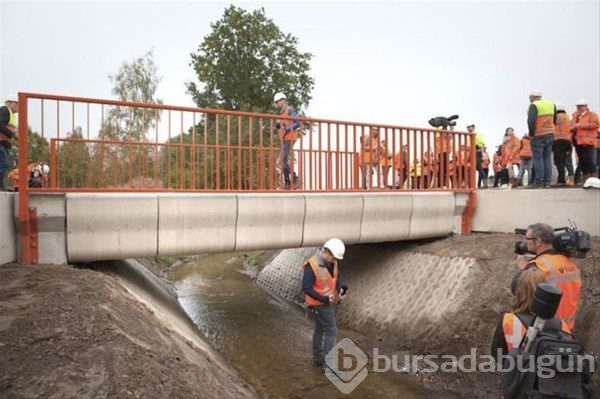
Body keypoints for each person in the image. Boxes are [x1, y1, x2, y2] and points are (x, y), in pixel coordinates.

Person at [512, 223, 581, 331]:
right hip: (566, 329)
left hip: (545, 329)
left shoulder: (540, 265)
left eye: (527, 238)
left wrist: (523, 269)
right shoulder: (568, 262)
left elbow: (518, 288)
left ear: (538, 241)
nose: (524, 241)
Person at [491, 268, 569, 362]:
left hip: (518, 374)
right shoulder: (562, 325)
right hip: (550, 374)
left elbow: (497, 356)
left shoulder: (508, 321)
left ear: (518, 291)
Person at [302, 238, 347, 368]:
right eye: (333, 258)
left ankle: (318, 359)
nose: (335, 261)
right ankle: (329, 362)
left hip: (325, 301)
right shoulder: (312, 266)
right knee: (331, 330)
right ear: (327, 252)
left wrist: (341, 287)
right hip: (319, 303)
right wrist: (324, 299)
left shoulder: (332, 262)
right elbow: (306, 288)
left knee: (320, 328)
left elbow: (336, 276)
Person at [527, 91, 556, 189]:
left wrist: (531, 134)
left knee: (538, 158)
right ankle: (547, 182)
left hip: (538, 135)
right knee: (547, 158)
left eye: (529, 97)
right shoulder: (551, 104)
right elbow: (554, 119)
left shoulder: (534, 105)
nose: (529, 99)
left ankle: (539, 182)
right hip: (550, 134)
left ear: (533, 97)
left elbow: (531, 121)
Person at [273, 92, 301, 190]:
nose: (277, 104)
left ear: (283, 100)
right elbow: (283, 124)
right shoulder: (281, 113)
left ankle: (295, 178)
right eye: (276, 103)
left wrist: (288, 129)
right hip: (284, 138)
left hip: (290, 137)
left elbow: (297, 122)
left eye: (278, 102)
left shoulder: (290, 110)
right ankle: (288, 182)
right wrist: (278, 125)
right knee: (283, 160)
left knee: (282, 159)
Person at [571, 99, 599, 184]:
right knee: (582, 161)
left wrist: (580, 125)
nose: (579, 108)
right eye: (578, 106)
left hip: (588, 142)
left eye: (581, 106)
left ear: (586, 107)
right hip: (578, 142)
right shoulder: (575, 116)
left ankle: (594, 179)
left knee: (590, 161)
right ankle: (586, 179)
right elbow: (571, 126)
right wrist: (572, 128)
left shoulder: (592, 115)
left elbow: (596, 124)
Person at [552, 102, 575, 187]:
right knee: (567, 160)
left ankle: (561, 180)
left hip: (558, 141)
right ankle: (570, 178)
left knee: (558, 161)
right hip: (568, 141)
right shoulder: (568, 118)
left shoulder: (555, 117)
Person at [0, 94, 18, 190]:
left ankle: (1, 186)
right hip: (0, 143)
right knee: (4, 163)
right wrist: (13, 135)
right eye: (17, 104)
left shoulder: (11, 114)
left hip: (4, 143)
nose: (19, 107)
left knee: (4, 163)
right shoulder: (4, 110)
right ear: (10, 103)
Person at [467, 123, 485, 188]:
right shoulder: (469, 135)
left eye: (469, 127)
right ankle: (479, 183)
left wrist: (481, 152)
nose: (468, 128)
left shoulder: (477, 134)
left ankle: (484, 182)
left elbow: (481, 144)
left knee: (478, 168)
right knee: (476, 168)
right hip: (472, 153)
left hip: (477, 152)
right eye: (467, 127)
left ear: (473, 127)